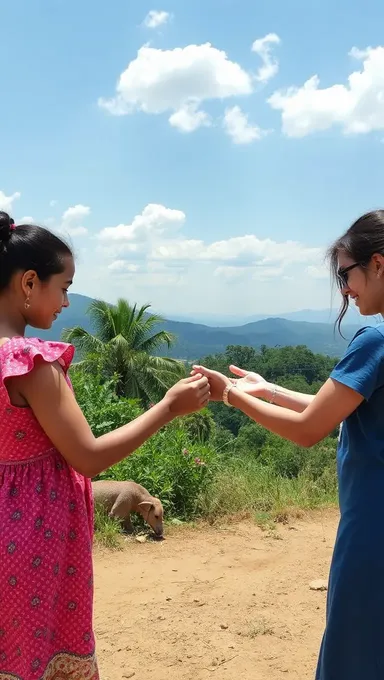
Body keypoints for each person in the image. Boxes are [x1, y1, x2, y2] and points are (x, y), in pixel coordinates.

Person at [0, 211, 210, 680]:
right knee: (45, 658)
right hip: (36, 542)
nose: (67, 302)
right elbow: (88, 457)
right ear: (30, 283)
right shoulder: (30, 364)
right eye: (65, 286)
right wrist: (169, 406)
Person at [192, 210, 384, 679]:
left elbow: (308, 430)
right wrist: (267, 388)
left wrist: (231, 395)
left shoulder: (374, 339)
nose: (344, 289)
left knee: (355, 649)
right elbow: (335, 407)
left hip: (372, 528)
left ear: (377, 263)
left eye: (346, 274)